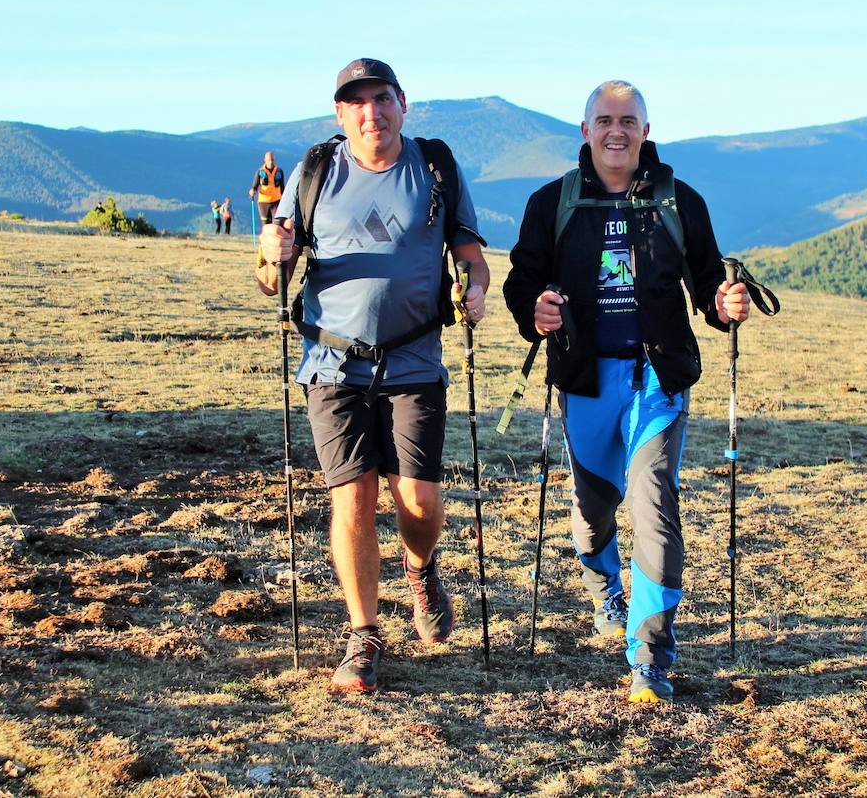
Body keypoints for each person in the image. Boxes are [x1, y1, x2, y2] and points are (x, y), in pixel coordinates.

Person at [502, 80, 752, 704]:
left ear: (646, 130)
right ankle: (604, 588)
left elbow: (707, 283)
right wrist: (534, 309)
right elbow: (521, 281)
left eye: (629, 120)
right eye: (605, 120)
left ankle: (650, 653)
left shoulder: (678, 200)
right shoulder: (551, 202)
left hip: (656, 380)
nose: (617, 131)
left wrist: (726, 306)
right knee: (592, 510)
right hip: (584, 378)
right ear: (585, 131)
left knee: (653, 503)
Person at [258, 58, 489, 694]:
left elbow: (471, 256)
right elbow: (268, 274)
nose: (371, 112)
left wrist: (474, 287)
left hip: (415, 359)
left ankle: (420, 568)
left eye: (381, 99)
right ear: (341, 114)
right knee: (352, 496)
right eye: (357, 103)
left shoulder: (435, 165)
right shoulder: (315, 171)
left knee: (419, 501)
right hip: (331, 361)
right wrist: (271, 256)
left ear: (402, 103)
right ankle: (364, 635)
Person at [249, 151, 285, 224]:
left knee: (277, 222)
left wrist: (284, 199)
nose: (271, 162)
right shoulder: (260, 172)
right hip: (263, 202)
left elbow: (282, 187)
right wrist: (253, 191)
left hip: (276, 200)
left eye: (272, 159)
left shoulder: (279, 171)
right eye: (269, 160)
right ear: (265, 160)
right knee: (266, 223)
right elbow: (255, 186)